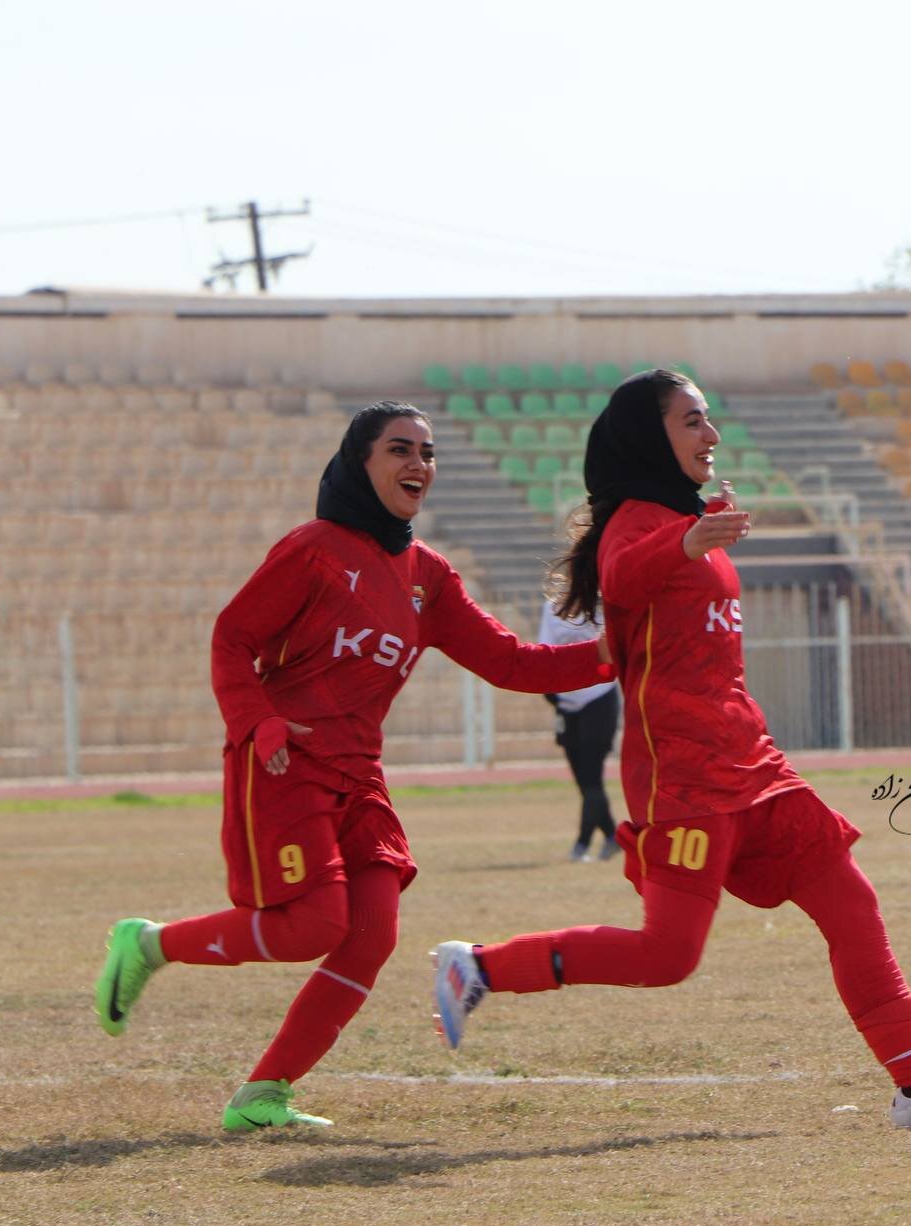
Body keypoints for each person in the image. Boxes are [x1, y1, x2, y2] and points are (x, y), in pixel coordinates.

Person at [430, 370, 911, 1129]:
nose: (711, 436)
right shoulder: (637, 525)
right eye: (692, 421)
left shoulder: (690, 522)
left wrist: (692, 534)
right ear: (650, 436)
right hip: (683, 775)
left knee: (852, 904)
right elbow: (622, 577)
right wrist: (682, 539)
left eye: (709, 421)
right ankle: (476, 967)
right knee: (668, 956)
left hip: (754, 759)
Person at [93, 400, 612, 1131]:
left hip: (359, 774)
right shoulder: (314, 547)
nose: (418, 465)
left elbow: (510, 661)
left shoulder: (428, 575)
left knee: (372, 933)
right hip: (284, 761)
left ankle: (262, 1097)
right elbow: (231, 637)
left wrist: (612, 655)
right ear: (358, 462)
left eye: (428, 453)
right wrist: (258, 721)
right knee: (311, 925)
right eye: (400, 449)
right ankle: (146, 944)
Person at [537, 596, 621, 862]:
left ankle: (582, 844)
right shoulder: (552, 608)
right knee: (584, 782)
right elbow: (544, 648)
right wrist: (552, 693)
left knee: (592, 778)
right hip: (567, 703)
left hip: (599, 698)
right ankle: (612, 835)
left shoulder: (604, 605)